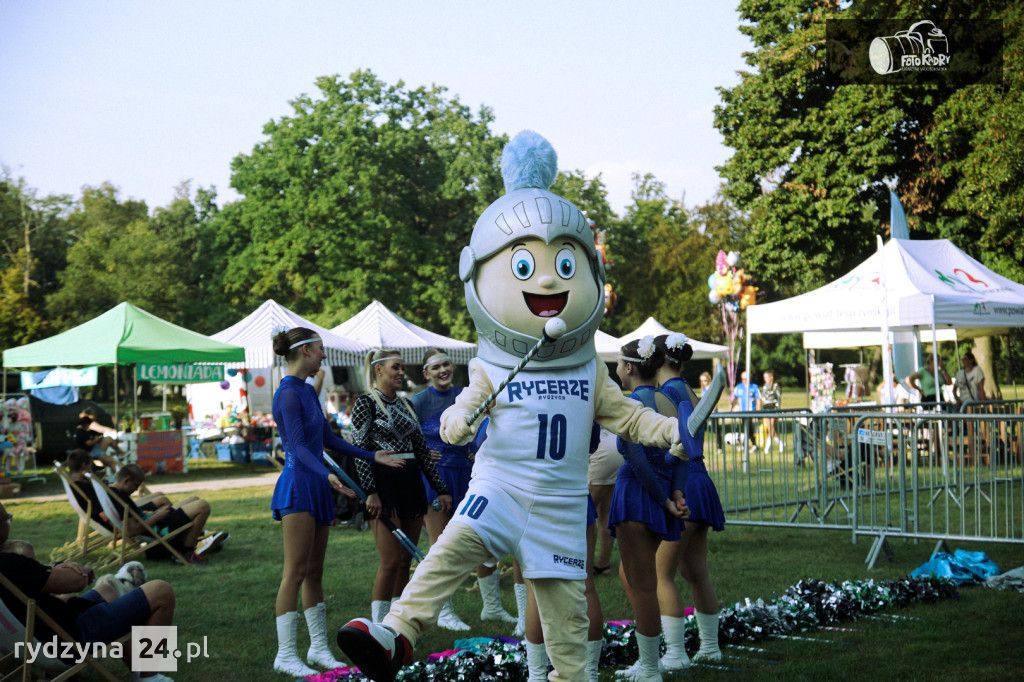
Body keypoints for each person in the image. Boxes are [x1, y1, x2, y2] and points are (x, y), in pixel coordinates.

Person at [336, 131, 712, 682]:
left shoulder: (588, 367)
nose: (547, 278)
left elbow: (628, 417)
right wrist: (456, 421)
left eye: (565, 264)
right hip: (503, 487)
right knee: (451, 548)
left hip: (561, 504)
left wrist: (673, 431)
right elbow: (465, 407)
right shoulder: (491, 363)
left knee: (568, 626)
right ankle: (395, 634)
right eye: (523, 266)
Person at [269, 327, 404, 678]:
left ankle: (317, 647)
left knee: (315, 571)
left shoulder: (306, 390)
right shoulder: (287, 394)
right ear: (305, 351)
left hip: (317, 485)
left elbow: (328, 439)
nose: (324, 355)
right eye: (320, 349)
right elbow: (298, 447)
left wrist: (371, 455)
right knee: (295, 572)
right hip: (299, 486)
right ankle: (285, 654)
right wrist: (326, 474)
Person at [0, 501, 177, 682]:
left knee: (108, 590)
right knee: (161, 591)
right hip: (69, 641)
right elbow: (77, 581)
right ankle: (148, 677)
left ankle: (126, 595)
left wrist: (53, 570)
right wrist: (77, 570)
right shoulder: (8, 564)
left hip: (37, 639)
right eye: (7, 519)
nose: (9, 523)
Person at [410, 348, 515, 632]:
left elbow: (484, 426)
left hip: (470, 475)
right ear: (426, 373)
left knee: (484, 538)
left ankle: (492, 607)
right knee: (441, 546)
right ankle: (444, 612)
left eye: (446, 364)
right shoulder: (419, 401)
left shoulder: (465, 394)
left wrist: (475, 448)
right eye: (436, 367)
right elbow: (403, 436)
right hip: (436, 478)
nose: (443, 370)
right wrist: (421, 454)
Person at [352, 349, 453, 626]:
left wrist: (440, 488)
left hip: (410, 483)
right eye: (395, 367)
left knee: (405, 559)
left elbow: (421, 451)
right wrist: (370, 491)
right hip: (383, 483)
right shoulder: (366, 403)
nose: (401, 372)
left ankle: (394, 624)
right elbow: (359, 450)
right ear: (379, 370)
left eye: (402, 368)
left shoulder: (407, 404)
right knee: (390, 560)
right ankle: (376, 627)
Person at [610, 337, 687, 681]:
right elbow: (685, 448)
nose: (615, 368)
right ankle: (649, 660)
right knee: (635, 578)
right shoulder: (668, 399)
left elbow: (636, 457)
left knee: (642, 585)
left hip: (638, 494)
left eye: (618, 363)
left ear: (629, 367)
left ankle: (650, 667)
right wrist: (675, 489)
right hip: (659, 492)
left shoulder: (631, 404)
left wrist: (665, 497)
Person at [651, 333, 725, 671]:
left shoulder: (667, 393)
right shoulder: (689, 389)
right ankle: (709, 647)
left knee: (661, 573)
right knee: (696, 571)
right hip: (701, 480)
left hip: (684, 483)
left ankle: (676, 653)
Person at [105, 464, 226, 563]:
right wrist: (157, 516)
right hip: (160, 528)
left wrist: (151, 514)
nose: (136, 489)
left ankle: (193, 538)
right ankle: (187, 552)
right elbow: (132, 531)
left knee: (194, 499)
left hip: (155, 522)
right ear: (126, 480)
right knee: (203, 506)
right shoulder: (119, 498)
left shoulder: (112, 492)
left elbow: (133, 518)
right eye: (135, 485)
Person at [588, 424, 622, 576]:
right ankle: (603, 564)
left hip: (601, 448)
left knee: (585, 514)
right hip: (616, 444)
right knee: (605, 512)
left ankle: (583, 566)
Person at [760, 369, 782, 453]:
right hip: (766, 408)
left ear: (771, 377)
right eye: (764, 377)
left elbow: (778, 397)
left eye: (766, 377)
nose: (765, 379)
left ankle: (767, 447)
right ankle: (780, 443)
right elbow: (763, 396)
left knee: (771, 427)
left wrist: (778, 408)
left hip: (773, 408)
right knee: (769, 427)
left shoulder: (776, 386)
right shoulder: (765, 386)